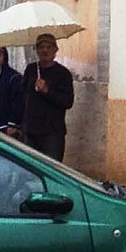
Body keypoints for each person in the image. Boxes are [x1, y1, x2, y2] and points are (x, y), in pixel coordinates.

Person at [21, 32, 74, 160]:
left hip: (52, 133)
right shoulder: (31, 70)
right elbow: (23, 96)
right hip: (31, 132)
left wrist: (47, 91)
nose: (45, 50)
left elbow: (68, 102)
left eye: (49, 47)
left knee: (51, 169)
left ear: (55, 50)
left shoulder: (63, 74)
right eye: (41, 47)